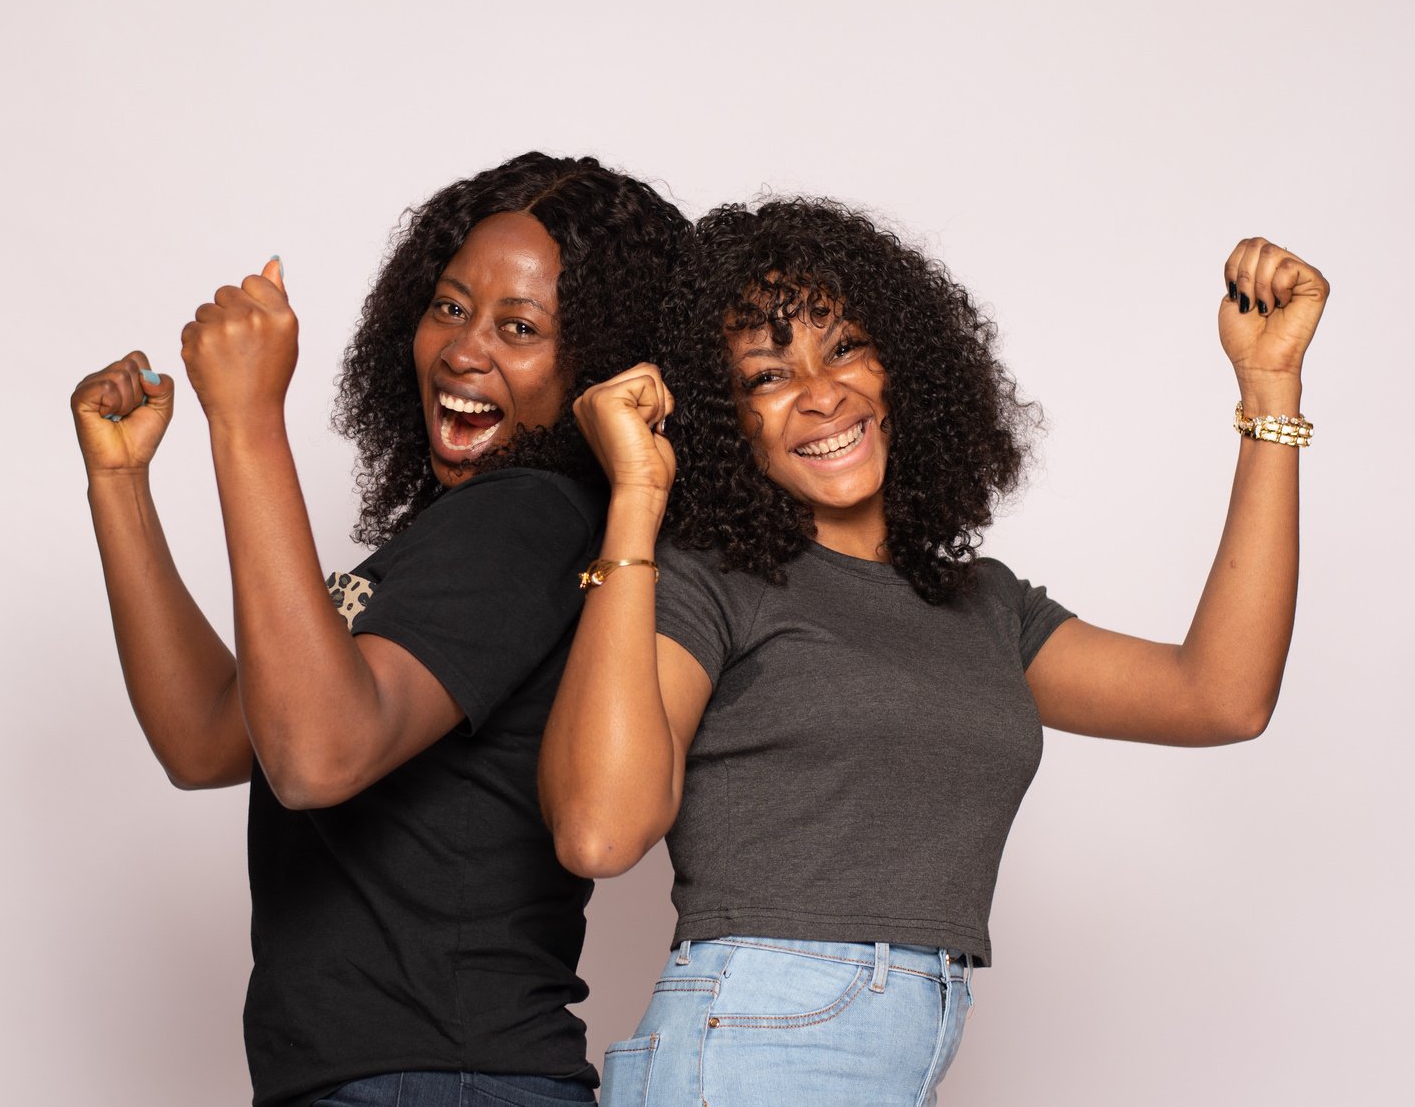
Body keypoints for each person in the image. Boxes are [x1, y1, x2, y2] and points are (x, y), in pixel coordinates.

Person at [539, 198, 1326, 1105]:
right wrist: (636, 495)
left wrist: (1269, 393)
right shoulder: (707, 582)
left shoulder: (979, 603)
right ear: (726, 421)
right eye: (766, 376)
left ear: (900, 364)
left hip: (893, 1052)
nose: (819, 393)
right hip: (754, 1040)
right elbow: (597, 831)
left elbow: (1220, 697)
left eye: (842, 348)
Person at [68, 153, 686, 1107]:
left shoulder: (529, 517)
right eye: (449, 307)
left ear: (593, 364)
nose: (464, 351)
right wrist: (120, 484)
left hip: (440, 1077)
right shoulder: (454, 537)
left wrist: (246, 418)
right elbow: (205, 736)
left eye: (520, 329)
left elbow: (318, 755)